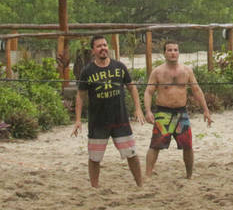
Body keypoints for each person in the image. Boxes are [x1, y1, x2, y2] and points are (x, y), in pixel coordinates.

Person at [72, 35, 145, 187]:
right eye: (99, 46)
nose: (103, 48)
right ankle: (95, 188)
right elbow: (80, 95)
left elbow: (132, 88)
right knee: (95, 158)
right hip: (98, 123)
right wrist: (78, 120)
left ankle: (140, 185)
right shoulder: (87, 71)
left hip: (120, 120)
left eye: (105, 45)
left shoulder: (119, 67)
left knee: (131, 153)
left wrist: (138, 109)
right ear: (93, 50)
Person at [143, 40, 213, 179]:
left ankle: (189, 175)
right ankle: (148, 174)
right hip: (163, 113)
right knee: (155, 145)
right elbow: (149, 91)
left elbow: (196, 90)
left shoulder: (187, 71)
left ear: (179, 52)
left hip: (181, 113)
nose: (173, 53)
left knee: (187, 146)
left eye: (175, 50)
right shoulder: (158, 72)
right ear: (164, 53)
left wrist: (206, 110)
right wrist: (148, 111)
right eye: (169, 50)